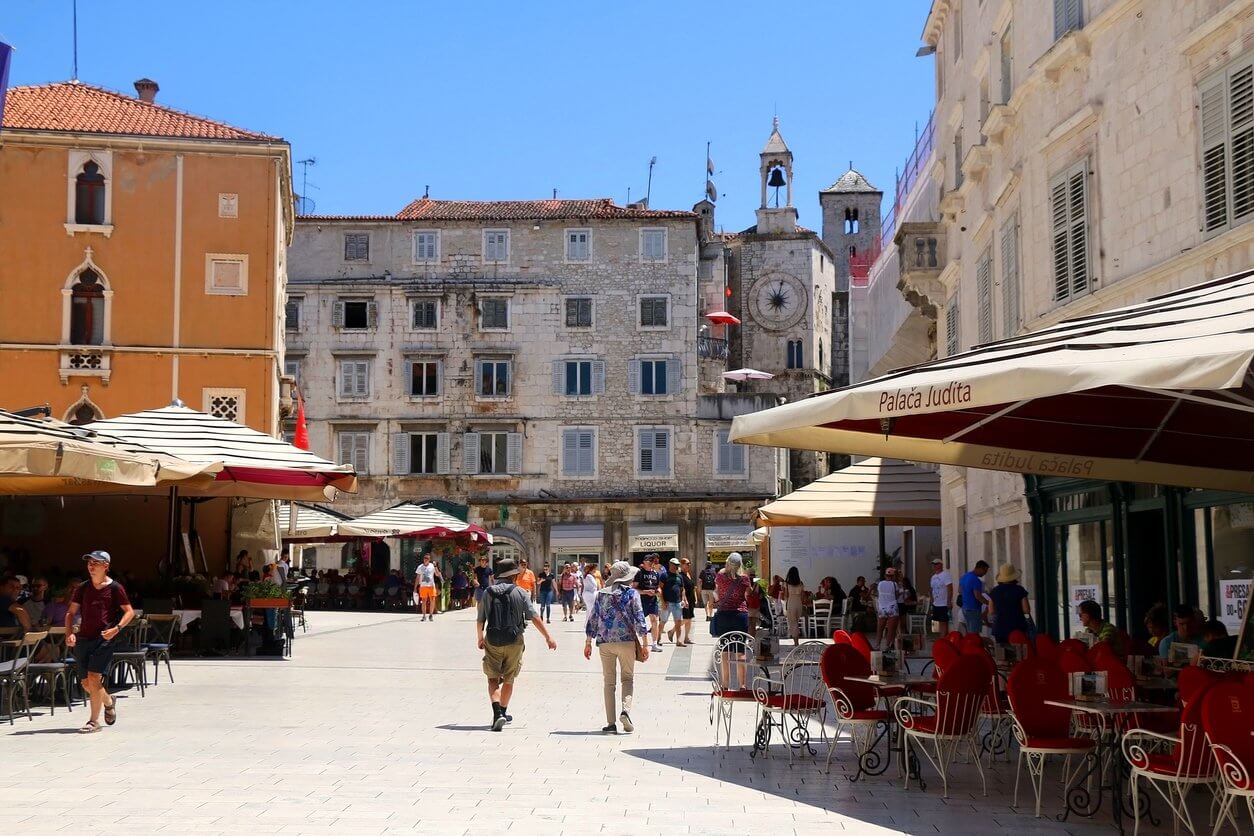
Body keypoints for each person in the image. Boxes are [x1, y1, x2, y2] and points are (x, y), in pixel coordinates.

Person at [476, 558, 556, 731]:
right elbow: (534, 616)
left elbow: (480, 619)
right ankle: (503, 712)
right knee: (509, 679)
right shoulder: (521, 592)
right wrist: (548, 637)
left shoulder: (488, 592)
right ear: (514, 576)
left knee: (492, 678)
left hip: (493, 639)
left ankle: (497, 713)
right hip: (515, 641)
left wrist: (480, 638)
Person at [66, 550, 135, 734]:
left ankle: (93, 722)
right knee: (87, 684)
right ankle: (109, 701)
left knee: (94, 678)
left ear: (106, 566)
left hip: (104, 639)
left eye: (96, 562)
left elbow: (129, 612)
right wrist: (69, 633)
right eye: (89, 562)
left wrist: (117, 629)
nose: (91, 565)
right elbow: (70, 613)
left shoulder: (115, 588)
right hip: (83, 639)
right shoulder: (82, 588)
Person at [584, 560, 650, 734]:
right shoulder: (632, 594)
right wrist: (645, 643)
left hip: (605, 643)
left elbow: (593, 618)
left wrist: (588, 642)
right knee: (627, 679)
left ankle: (610, 723)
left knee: (609, 682)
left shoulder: (601, 594)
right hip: (627, 641)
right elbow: (640, 618)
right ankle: (625, 712)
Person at [711, 553, 753, 689]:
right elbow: (749, 593)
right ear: (740, 565)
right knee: (740, 650)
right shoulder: (744, 579)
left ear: (727, 563)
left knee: (725, 651)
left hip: (724, 616)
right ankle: (742, 685)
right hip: (740, 616)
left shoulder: (720, 577)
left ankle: (725, 685)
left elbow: (716, 591)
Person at [987, 563, 1030, 644]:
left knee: (1002, 653)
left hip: (999, 627)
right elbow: (1026, 610)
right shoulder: (1020, 590)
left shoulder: (995, 591)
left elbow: (991, 611)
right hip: (1017, 626)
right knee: (1019, 652)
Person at [634, 554, 663, 652]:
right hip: (641, 601)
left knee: (654, 620)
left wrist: (659, 590)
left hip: (653, 601)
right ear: (644, 562)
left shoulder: (655, 573)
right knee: (639, 622)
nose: (651, 563)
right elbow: (634, 588)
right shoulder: (639, 573)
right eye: (649, 561)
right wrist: (645, 592)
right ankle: (636, 643)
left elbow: (658, 586)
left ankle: (654, 644)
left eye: (652, 561)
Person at [958, 560, 990, 635]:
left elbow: (960, 590)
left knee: (969, 633)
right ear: (980, 568)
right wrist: (988, 603)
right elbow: (978, 596)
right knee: (974, 634)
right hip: (973, 609)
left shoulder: (965, 576)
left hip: (965, 608)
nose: (985, 573)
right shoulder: (976, 580)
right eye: (984, 571)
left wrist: (968, 594)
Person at [659, 558, 685, 645]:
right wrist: (662, 601)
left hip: (677, 602)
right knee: (663, 621)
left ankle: (679, 641)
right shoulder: (664, 575)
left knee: (678, 622)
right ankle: (658, 639)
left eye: (677, 565)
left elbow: (682, 589)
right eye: (675, 565)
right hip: (667, 602)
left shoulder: (679, 576)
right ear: (670, 564)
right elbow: (660, 589)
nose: (676, 567)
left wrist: (684, 599)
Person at [875, 568, 901, 650]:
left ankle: (877, 645)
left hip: (882, 607)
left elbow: (879, 595)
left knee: (880, 628)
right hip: (892, 606)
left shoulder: (880, 584)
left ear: (885, 575)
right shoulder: (894, 584)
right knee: (891, 628)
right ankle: (888, 645)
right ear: (893, 576)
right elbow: (896, 596)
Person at [928, 558, 954, 634]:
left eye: (936, 564)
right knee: (939, 622)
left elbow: (950, 588)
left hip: (943, 603)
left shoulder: (945, 575)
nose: (934, 566)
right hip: (936, 603)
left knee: (944, 622)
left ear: (940, 565)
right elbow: (931, 589)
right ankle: (941, 638)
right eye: (933, 564)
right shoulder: (933, 577)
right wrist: (932, 599)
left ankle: (943, 638)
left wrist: (949, 601)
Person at [413, 555, 442, 621]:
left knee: (432, 600)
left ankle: (431, 615)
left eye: (427, 558)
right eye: (425, 558)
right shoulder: (420, 567)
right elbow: (417, 578)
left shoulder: (432, 566)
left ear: (429, 559)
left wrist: (435, 566)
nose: (426, 559)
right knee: (423, 601)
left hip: (431, 586)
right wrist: (415, 587)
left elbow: (437, 574)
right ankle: (424, 616)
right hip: (423, 586)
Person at [783, 566, 805, 646]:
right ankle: (796, 642)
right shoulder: (801, 583)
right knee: (796, 622)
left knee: (793, 623)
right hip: (799, 603)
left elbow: (785, 595)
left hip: (791, 602)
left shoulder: (787, 584)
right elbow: (803, 596)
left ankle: (796, 643)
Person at [677, 558, 696, 646]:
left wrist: (695, 597)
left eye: (689, 563)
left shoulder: (688, 574)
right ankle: (672, 631)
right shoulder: (680, 575)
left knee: (689, 619)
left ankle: (686, 638)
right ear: (682, 564)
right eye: (687, 564)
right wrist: (684, 600)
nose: (689, 565)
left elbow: (692, 587)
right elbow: (682, 588)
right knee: (686, 618)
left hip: (691, 599)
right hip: (686, 600)